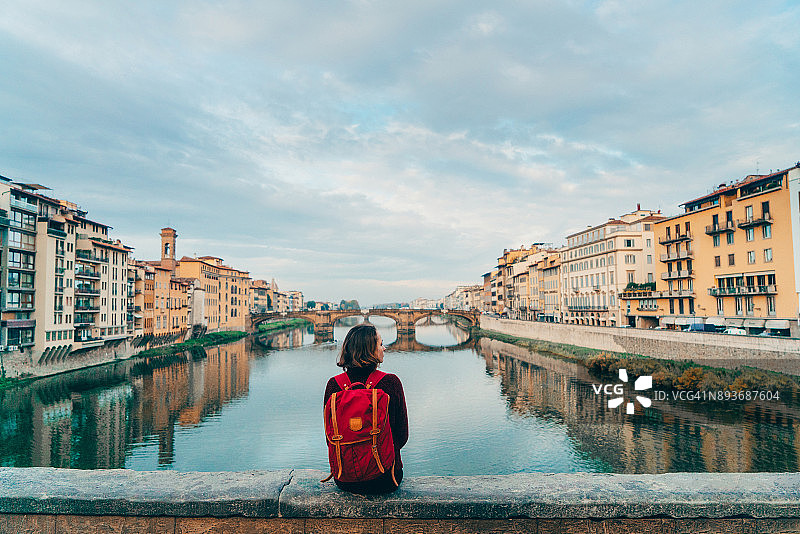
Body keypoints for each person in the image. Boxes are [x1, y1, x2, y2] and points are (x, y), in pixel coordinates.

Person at [323, 323, 408, 494]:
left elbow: (329, 437)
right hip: (386, 478)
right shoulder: (391, 382)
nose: (384, 348)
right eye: (380, 344)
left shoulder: (334, 385)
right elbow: (402, 436)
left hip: (344, 479)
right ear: (370, 350)